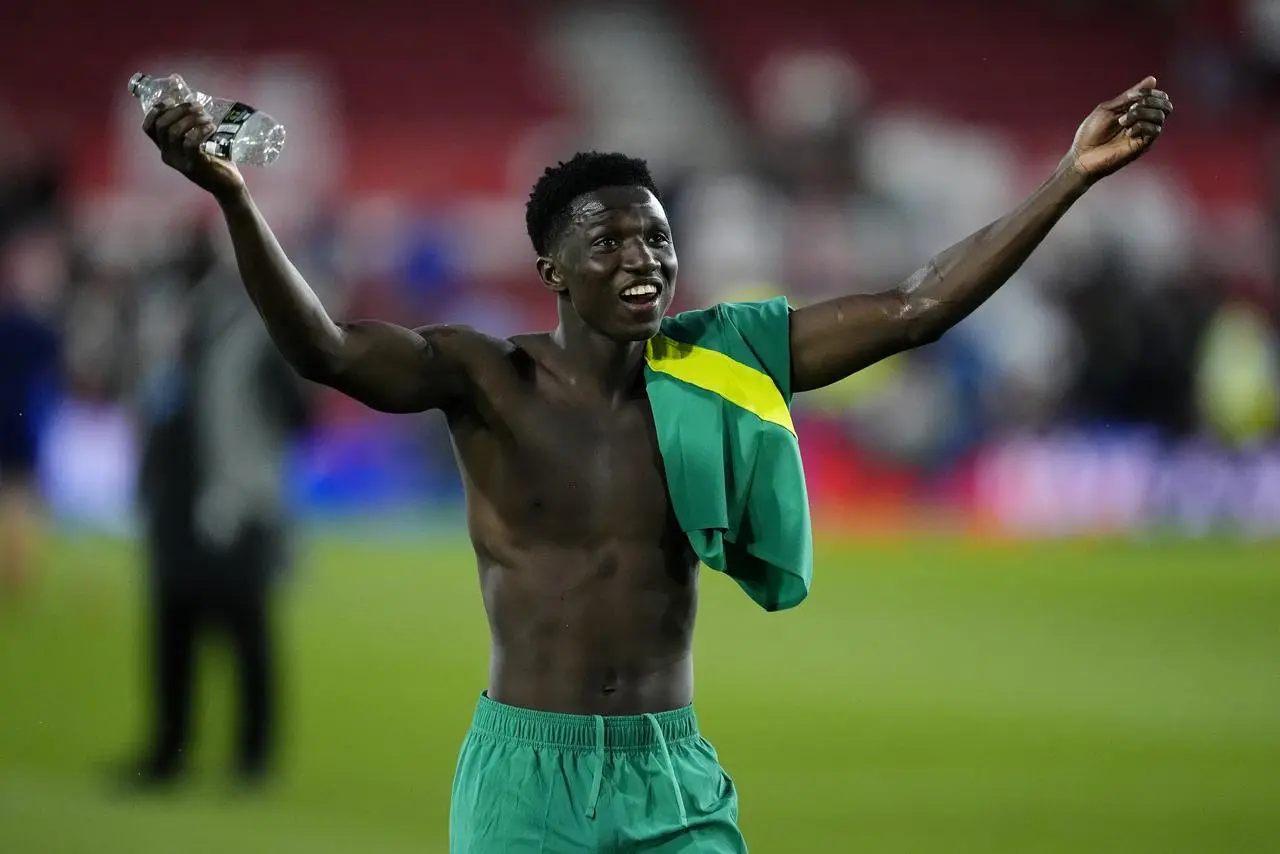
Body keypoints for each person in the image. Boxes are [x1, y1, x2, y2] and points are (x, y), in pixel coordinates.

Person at [141, 75, 1172, 850]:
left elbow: (915, 307)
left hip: (668, 774)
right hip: (523, 779)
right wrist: (233, 196)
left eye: (658, 239)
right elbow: (321, 345)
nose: (644, 261)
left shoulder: (720, 357)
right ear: (551, 269)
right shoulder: (481, 375)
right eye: (611, 244)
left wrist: (1066, 178)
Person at [123, 222, 311, 787]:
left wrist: (254, 469)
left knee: (245, 632)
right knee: (171, 631)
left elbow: (298, 412)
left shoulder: (252, 328)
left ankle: (252, 760)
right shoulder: (160, 324)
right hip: (173, 499)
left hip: (234, 500)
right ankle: (167, 752)